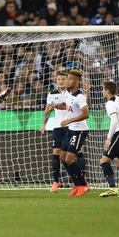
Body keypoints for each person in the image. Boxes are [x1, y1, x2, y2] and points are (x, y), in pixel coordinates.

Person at [60, 69, 90, 197]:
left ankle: (83, 185)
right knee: (62, 157)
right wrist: (55, 106)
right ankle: (77, 185)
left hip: (79, 130)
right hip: (71, 129)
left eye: (70, 78)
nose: (68, 81)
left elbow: (86, 114)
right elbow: (67, 106)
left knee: (70, 158)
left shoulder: (80, 96)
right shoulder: (67, 92)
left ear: (77, 81)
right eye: (68, 78)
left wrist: (69, 120)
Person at [40, 72, 68, 193]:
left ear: (67, 80)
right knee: (56, 152)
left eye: (63, 79)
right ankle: (56, 181)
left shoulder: (72, 93)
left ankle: (80, 181)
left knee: (73, 154)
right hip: (58, 126)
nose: (60, 81)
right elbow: (47, 110)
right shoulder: (51, 94)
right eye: (59, 79)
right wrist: (44, 124)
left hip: (71, 126)